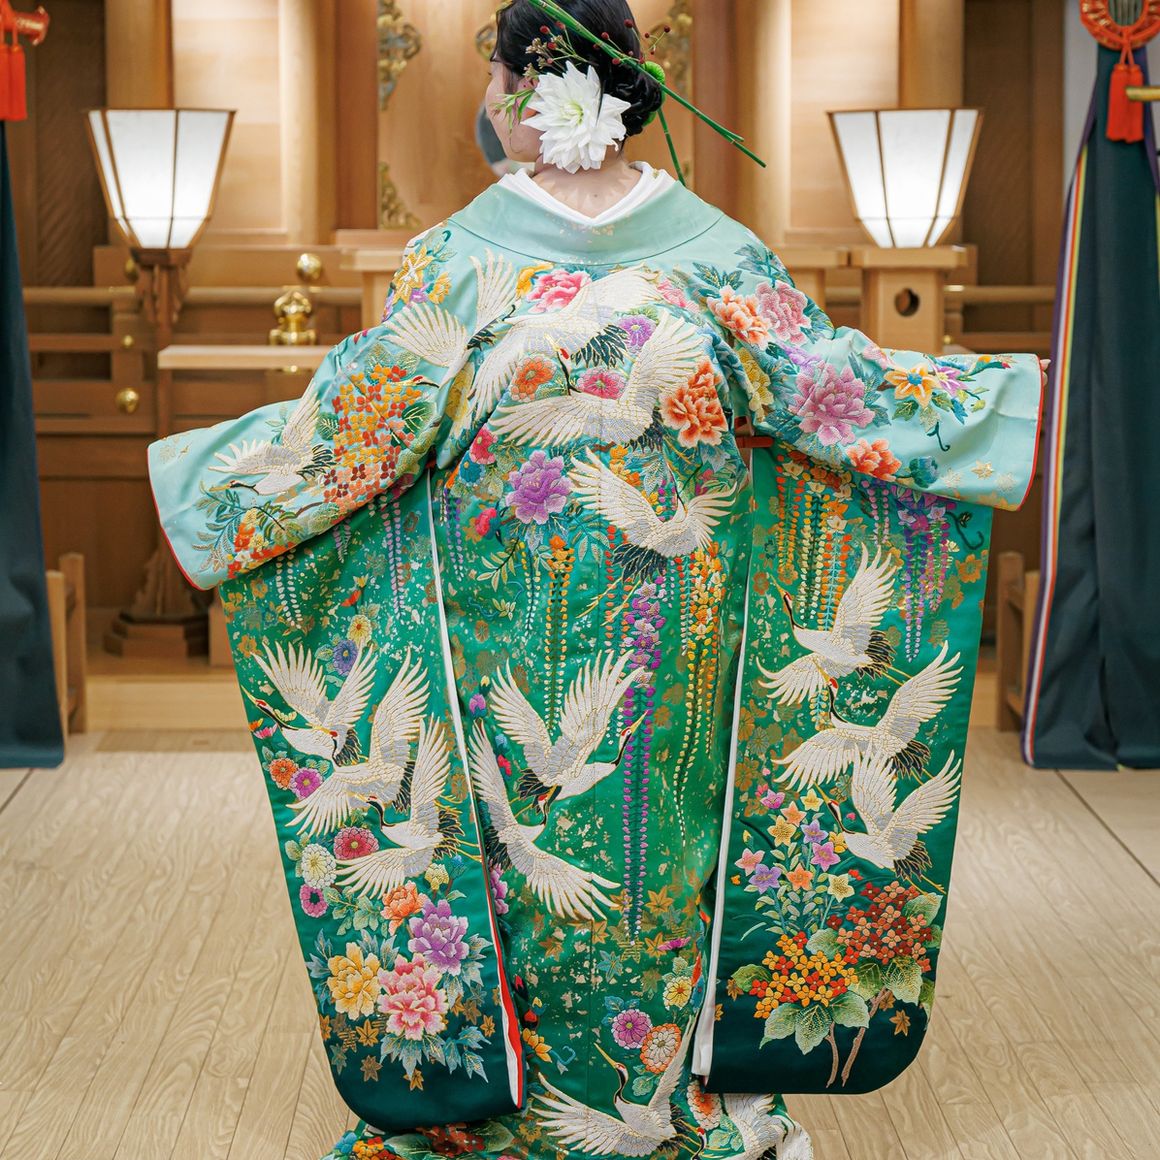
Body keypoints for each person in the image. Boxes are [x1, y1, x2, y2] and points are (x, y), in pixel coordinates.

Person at [148, 2, 1046, 1157]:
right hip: (586, 612)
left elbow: (361, 425)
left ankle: (606, 1102)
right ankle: (591, 1103)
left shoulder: (543, 257)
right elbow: (820, 383)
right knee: (585, 843)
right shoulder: (640, 253)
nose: (489, 105)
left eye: (496, 81)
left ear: (534, 91)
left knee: (601, 841)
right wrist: (987, 409)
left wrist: (212, 482)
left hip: (594, 616)